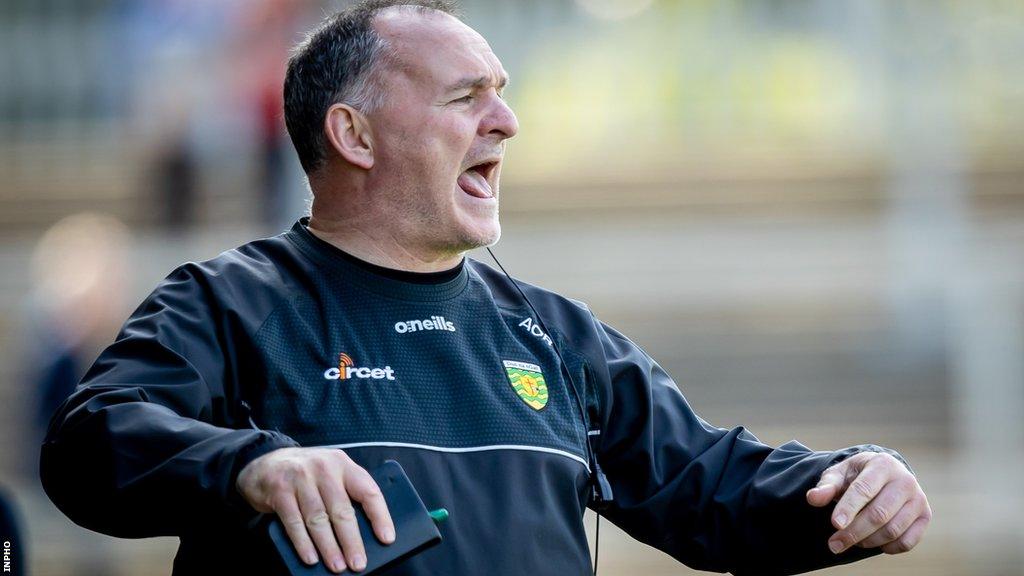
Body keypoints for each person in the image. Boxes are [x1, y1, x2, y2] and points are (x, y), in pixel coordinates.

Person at [40, 2, 932, 575]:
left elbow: (708, 487)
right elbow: (89, 446)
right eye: (468, 96)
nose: (506, 121)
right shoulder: (229, 304)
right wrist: (250, 466)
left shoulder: (554, 335)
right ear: (353, 134)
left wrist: (848, 483)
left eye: (501, 95)